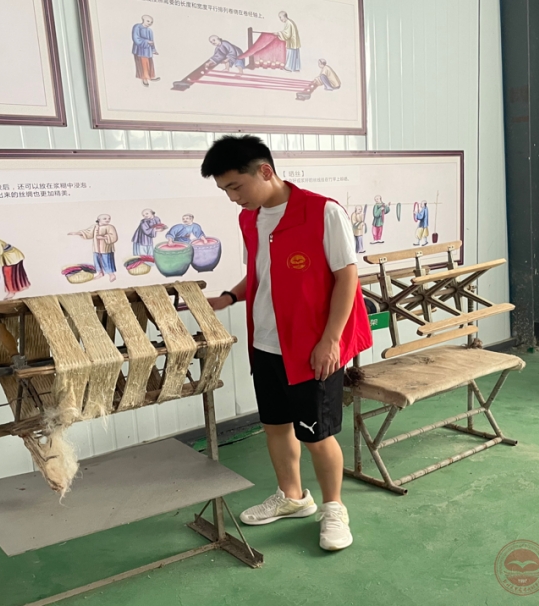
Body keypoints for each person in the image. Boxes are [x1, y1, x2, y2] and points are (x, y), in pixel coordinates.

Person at [201, 135, 372, 552]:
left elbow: (347, 277)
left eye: (235, 186)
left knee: (316, 434)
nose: (233, 198)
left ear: (265, 171)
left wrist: (330, 340)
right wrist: (229, 297)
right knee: (275, 426)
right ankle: (292, 497)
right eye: (225, 190)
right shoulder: (251, 219)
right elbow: (261, 273)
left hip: (312, 347)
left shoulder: (323, 212)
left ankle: (334, 508)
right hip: (266, 344)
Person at [69, 214, 119, 282]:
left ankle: (111, 274)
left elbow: (114, 237)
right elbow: (87, 232)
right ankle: (100, 273)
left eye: (109, 218)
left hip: (106, 249)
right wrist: (77, 233)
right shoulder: (95, 226)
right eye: (105, 218)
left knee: (107, 261)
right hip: (96, 248)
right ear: (99, 220)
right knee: (97, 261)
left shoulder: (110, 227)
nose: (107, 220)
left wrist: (103, 237)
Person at [132, 15, 159, 86]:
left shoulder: (150, 30)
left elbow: (152, 41)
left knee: (149, 64)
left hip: (148, 50)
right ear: (143, 20)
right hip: (140, 50)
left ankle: (151, 77)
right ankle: (145, 79)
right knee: (143, 64)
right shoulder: (137, 27)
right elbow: (136, 38)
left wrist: (153, 49)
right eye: (148, 21)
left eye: (151, 22)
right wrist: (146, 42)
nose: (149, 23)